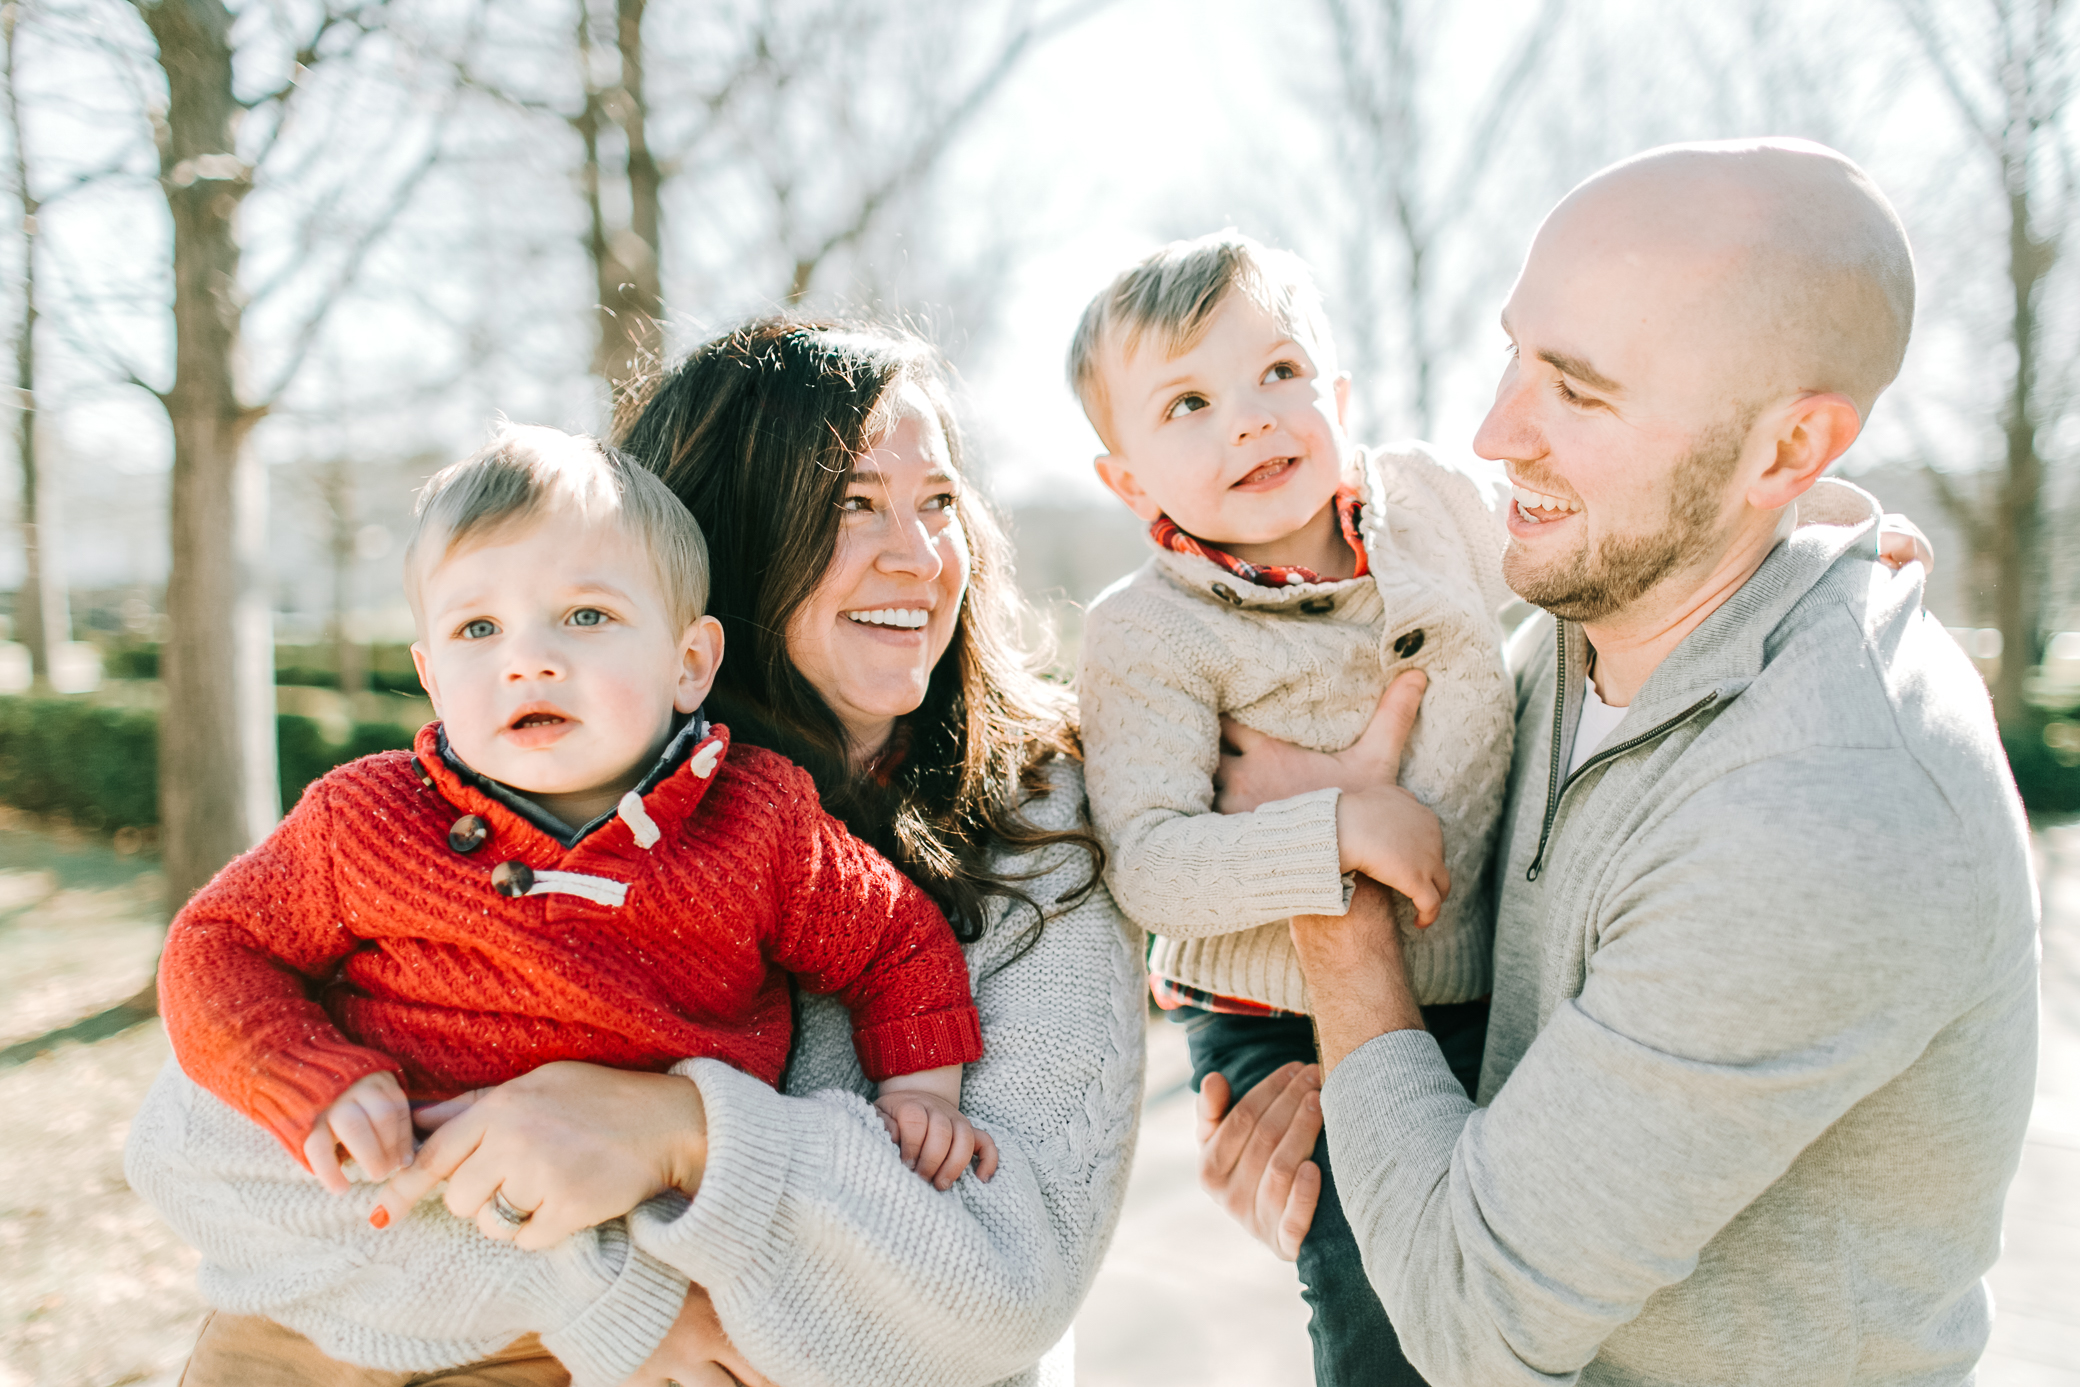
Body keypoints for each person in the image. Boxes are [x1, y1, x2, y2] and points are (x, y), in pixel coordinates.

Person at [126, 320, 1146, 1387]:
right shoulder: (499, 788)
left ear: (690, 651)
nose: (919, 554)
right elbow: (197, 1154)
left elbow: (1003, 1282)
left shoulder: (1029, 822)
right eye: (852, 504)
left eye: (937, 502)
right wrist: (612, 1302)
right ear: (730, 539)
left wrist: (684, 1131)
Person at [1199, 139, 2038, 1386]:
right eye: (1514, 354)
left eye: (1576, 393)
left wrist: (1328, 893)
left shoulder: (1819, 803)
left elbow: (1472, 1320)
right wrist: (1344, 1127)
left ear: (1785, 451)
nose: (1493, 432)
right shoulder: (1573, 637)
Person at [1067, 230, 1512, 1387]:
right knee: (1385, 1294)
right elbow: (1151, 865)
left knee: (1534, 1276)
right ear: (1125, 479)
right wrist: (1337, 831)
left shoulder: (1434, 507)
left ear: (1341, 395)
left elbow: (1609, 543)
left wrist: (1806, 514)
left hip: (1493, 977)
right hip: (1279, 1018)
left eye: (1279, 374)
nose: (1251, 420)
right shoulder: (1146, 634)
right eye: (1189, 403)